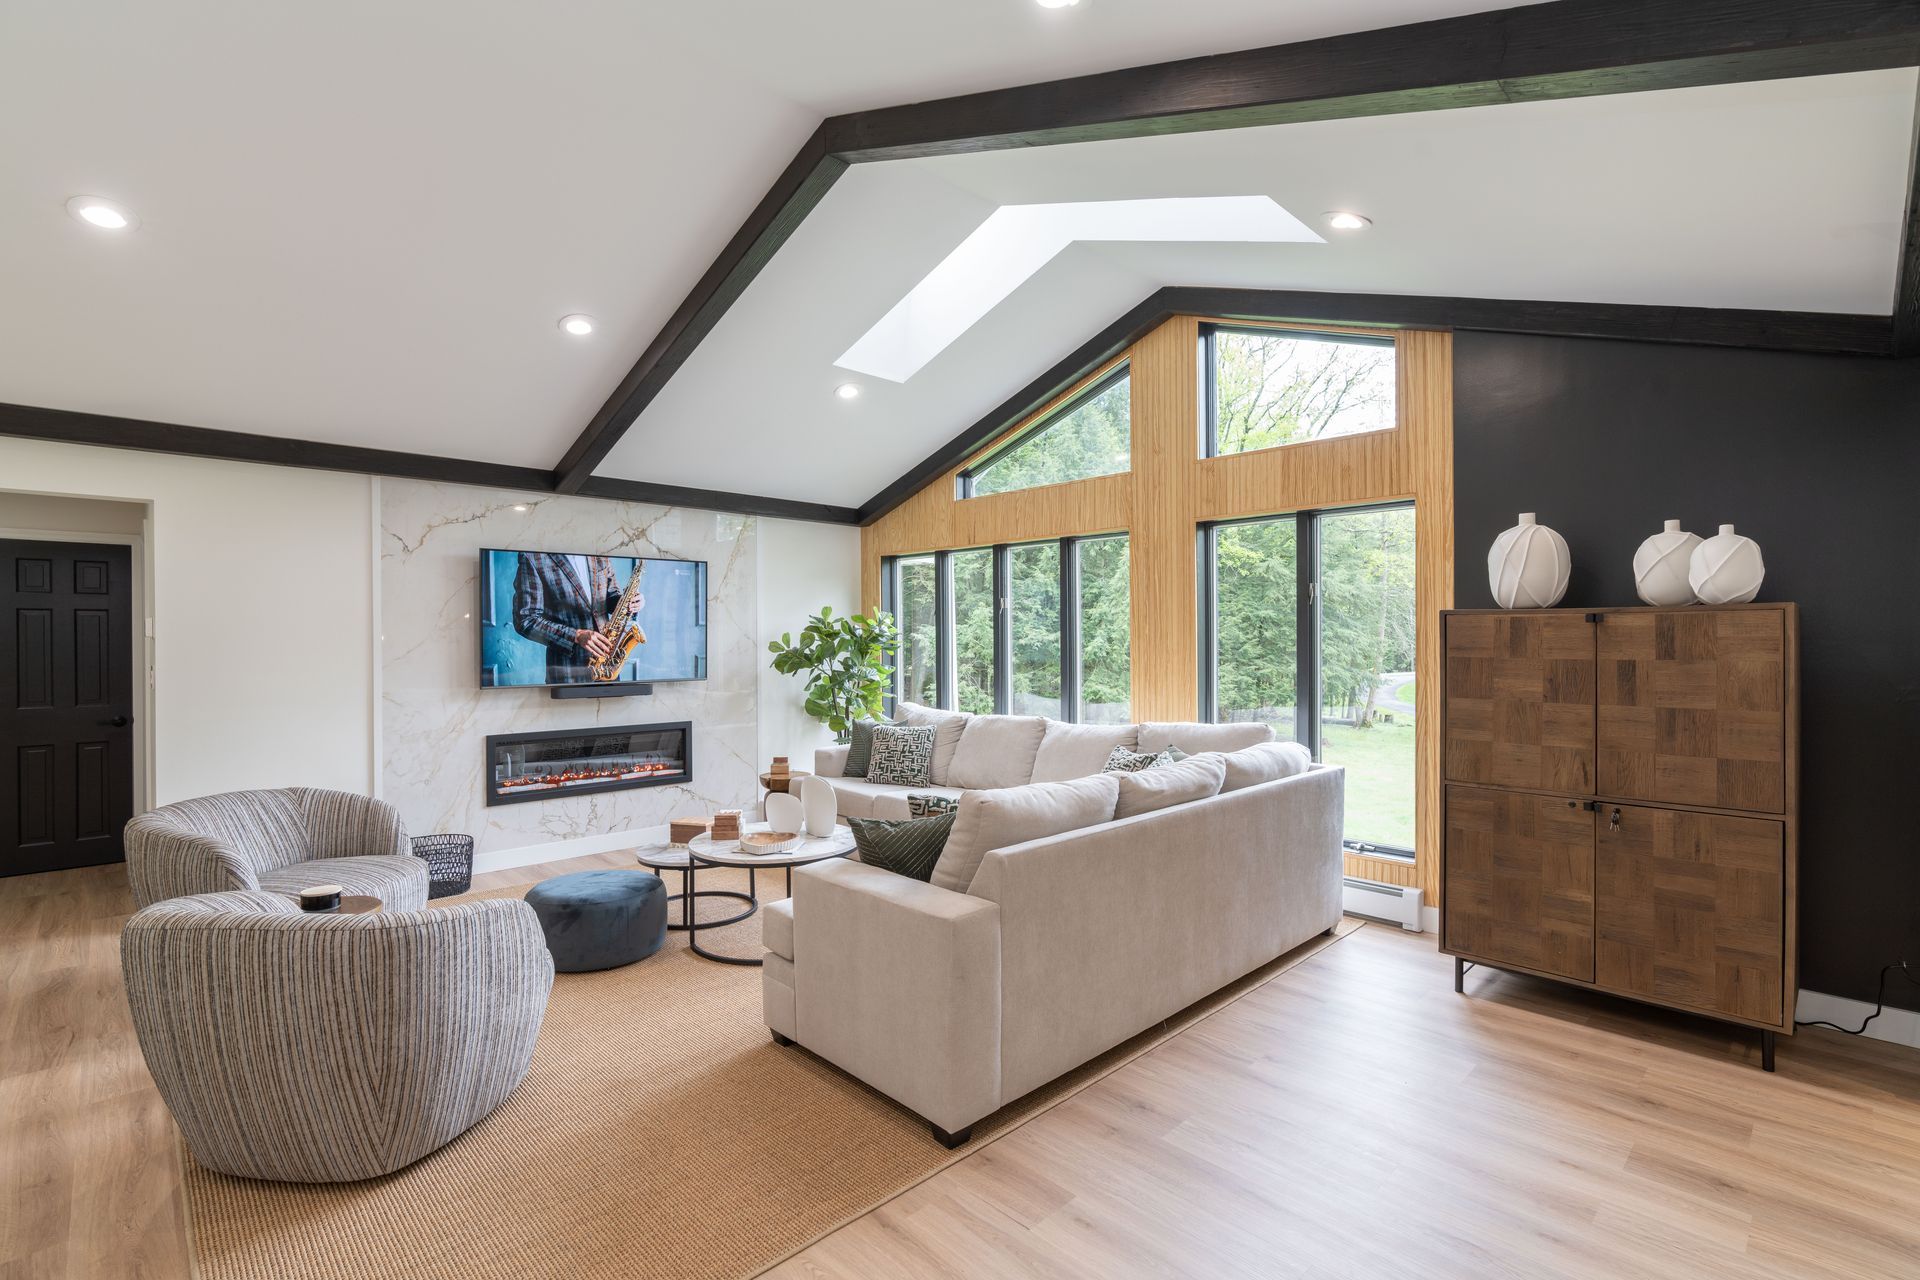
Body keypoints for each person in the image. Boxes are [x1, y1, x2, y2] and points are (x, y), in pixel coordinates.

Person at [510, 552, 641, 684]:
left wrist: (629, 602)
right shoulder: (533, 558)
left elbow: (611, 596)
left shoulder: (599, 552)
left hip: (608, 667)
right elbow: (525, 620)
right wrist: (576, 636)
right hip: (568, 672)